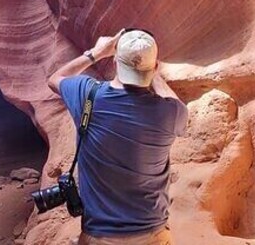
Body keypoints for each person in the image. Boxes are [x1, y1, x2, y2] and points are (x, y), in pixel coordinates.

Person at [47, 29, 188, 245]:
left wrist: (95, 53)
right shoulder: (170, 113)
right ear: (156, 66)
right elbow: (174, 101)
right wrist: (153, 72)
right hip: (153, 236)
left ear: (114, 61)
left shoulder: (87, 95)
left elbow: (55, 78)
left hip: (100, 236)